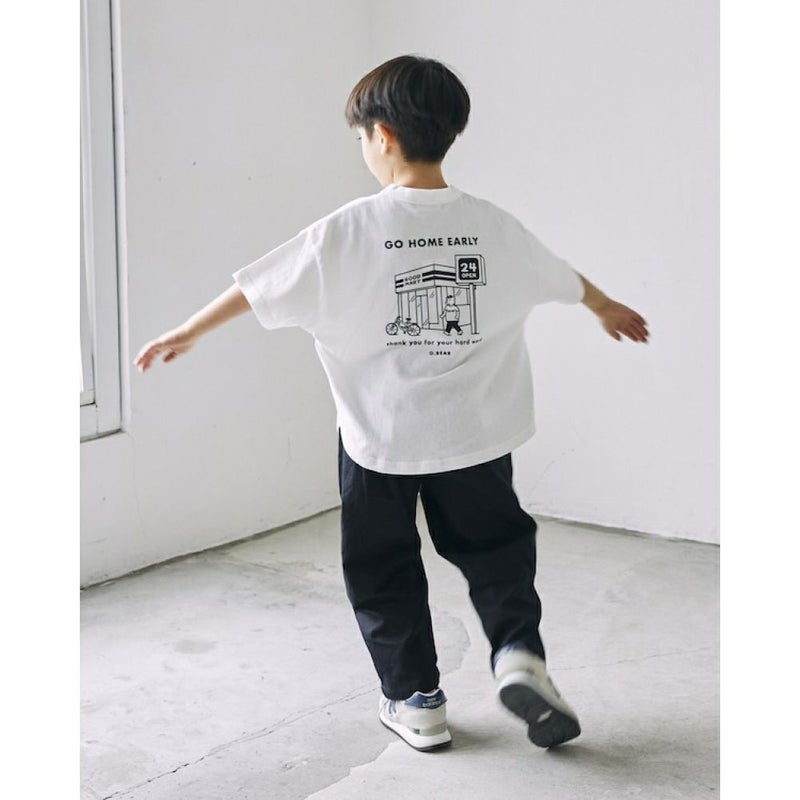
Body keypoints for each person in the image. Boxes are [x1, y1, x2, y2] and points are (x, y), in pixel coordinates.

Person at [134, 55, 649, 753]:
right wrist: (605, 306)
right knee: (497, 551)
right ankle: (518, 654)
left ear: (382, 135)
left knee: (382, 567)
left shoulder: (346, 230)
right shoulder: (493, 225)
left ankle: (417, 700)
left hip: (379, 439)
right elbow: (560, 277)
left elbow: (259, 288)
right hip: (475, 438)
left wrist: (189, 331)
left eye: (360, 138)